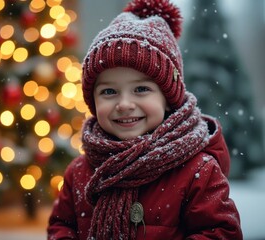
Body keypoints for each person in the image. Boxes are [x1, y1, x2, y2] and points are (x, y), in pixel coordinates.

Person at [47, 0, 243, 239]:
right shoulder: (80, 171)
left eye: (141, 89)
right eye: (109, 92)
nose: (124, 104)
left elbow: (220, 232)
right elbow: (61, 225)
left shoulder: (197, 170)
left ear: (169, 98)